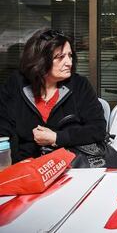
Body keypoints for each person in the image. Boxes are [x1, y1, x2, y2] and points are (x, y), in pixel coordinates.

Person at [0, 28, 107, 163]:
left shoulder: (80, 85)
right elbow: (4, 132)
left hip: (69, 165)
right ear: (40, 59)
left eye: (70, 55)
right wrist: (16, 162)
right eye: (60, 57)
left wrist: (57, 137)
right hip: (26, 167)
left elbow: (98, 130)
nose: (69, 62)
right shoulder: (15, 85)